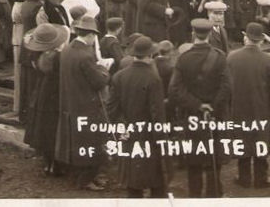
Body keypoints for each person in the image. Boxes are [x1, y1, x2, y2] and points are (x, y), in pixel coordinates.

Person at [169, 18, 231, 198]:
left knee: (194, 161)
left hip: (192, 117)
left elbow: (174, 90)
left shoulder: (183, 58)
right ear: (210, 34)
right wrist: (212, 107)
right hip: (215, 116)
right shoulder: (220, 57)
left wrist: (197, 105)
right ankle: (214, 197)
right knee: (213, 160)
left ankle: (194, 198)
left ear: (193, 34)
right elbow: (227, 87)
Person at [107, 36, 167, 198]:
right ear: (151, 56)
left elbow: (111, 109)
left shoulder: (119, 76)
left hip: (128, 135)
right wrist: (162, 139)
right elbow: (157, 114)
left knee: (133, 184)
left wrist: (120, 130)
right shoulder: (153, 79)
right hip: (149, 137)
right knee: (157, 184)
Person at [55, 16, 110, 191]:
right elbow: (98, 82)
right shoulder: (86, 55)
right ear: (92, 35)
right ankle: (86, 180)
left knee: (77, 143)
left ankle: (83, 177)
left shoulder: (67, 50)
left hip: (71, 103)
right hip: (86, 104)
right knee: (92, 143)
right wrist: (104, 69)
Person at [228, 22, 270, 188]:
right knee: (260, 141)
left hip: (238, 107)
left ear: (246, 38)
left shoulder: (231, 57)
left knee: (242, 140)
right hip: (261, 108)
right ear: (260, 40)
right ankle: (261, 178)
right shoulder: (267, 60)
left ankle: (243, 177)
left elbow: (226, 86)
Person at [23, 23, 70, 176]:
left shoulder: (36, 55)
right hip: (54, 96)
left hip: (41, 95)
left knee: (43, 130)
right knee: (53, 130)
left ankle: (47, 163)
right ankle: (55, 165)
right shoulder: (58, 57)